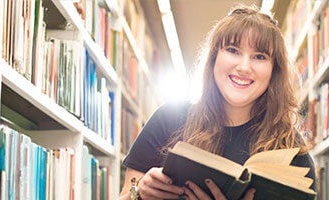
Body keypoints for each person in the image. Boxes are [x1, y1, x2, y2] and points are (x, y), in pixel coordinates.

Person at [120, 4, 316, 200]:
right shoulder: (168, 119)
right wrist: (137, 193)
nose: (244, 67)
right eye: (233, 50)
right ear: (214, 59)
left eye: (259, 56)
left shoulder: (291, 150)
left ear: (274, 71)